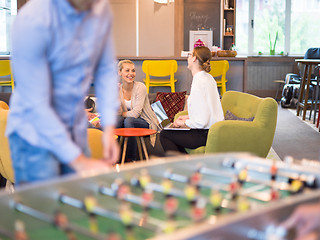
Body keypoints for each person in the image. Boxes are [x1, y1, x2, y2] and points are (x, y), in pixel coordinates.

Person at [6, 0, 119, 185]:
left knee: (79, 209)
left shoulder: (100, 8)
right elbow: (36, 104)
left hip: (76, 130)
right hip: (34, 139)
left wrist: (108, 128)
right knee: (43, 212)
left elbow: (106, 68)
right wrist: (80, 162)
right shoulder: (32, 19)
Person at [160, 46, 224, 154]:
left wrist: (183, 123)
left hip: (203, 134)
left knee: (164, 135)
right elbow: (207, 111)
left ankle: (183, 168)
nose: (188, 57)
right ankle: (185, 165)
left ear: (194, 58)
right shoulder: (208, 78)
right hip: (213, 132)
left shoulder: (199, 82)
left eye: (189, 55)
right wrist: (188, 117)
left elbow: (201, 122)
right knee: (172, 134)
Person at [117, 60, 161, 161]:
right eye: (127, 70)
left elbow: (136, 113)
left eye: (133, 71)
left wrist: (122, 114)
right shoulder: (117, 89)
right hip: (128, 120)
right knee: (117, 121)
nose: (131, 74)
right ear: (120, 72)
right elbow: (116, 112)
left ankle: (131, 158)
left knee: (129, 120)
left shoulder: (140, 87)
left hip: (145, 120)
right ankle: (116, 158)